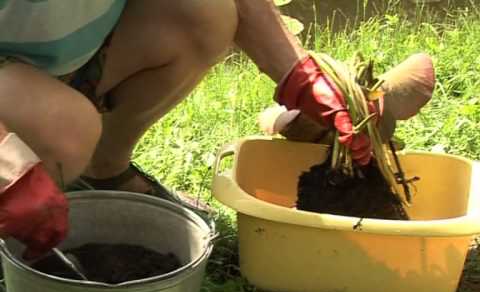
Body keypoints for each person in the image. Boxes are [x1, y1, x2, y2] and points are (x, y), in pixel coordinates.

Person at [0, 0, 434, 260]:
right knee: (67, 132)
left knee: (204, 12)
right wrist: (4, 159)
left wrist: (298, 74)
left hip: (71, 58)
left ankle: (105, 170)